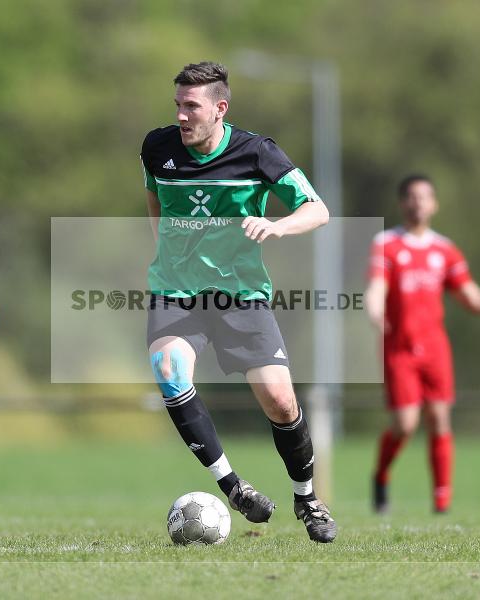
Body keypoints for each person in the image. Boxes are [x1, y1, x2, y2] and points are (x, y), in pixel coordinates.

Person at [140, 61, 336, 542]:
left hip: (240, 295)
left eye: (192, 106)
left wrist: (276, 225)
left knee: (280, 401)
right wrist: (164, 250)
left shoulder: (257, 153)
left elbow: (318, 210)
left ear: (220, 108)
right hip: (177, 292)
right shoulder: (157, 147)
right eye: (178, 106)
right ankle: (233, 487)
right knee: (169, 370)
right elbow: (155, 198)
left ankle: (307, 499)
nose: (182, 116)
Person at [365, 174, 480, 514]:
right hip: (399, 348)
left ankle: (441, 501)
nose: (418, 203)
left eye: (425, 197)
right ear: (402, 203)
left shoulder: (444, 249)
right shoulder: (387, 243)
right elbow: (375, 288)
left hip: (435, 349)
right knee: (405, 425)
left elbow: (472, 298)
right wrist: (375, 312)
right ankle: (381, 476)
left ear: (434, 204)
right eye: (412, 197)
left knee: (440, 419)